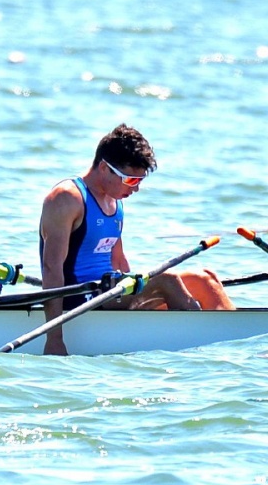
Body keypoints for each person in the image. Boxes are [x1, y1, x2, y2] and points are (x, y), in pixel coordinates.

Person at [36, 124, 232, 356]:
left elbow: (118, 261)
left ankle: (234, 349)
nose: (136, 189)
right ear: (103, 168)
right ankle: (201, 353)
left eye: (139, 181)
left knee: (205, 279)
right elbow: (51, 268)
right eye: (131, 181)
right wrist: (54, 338)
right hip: (78, 298)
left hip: (110, 291)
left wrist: (139, 297)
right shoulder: (67, 198)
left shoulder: (114, 199)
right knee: (167, 280)